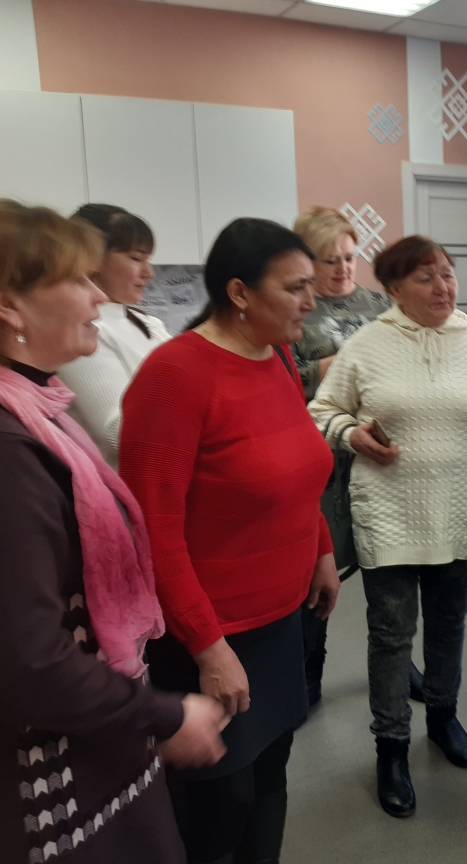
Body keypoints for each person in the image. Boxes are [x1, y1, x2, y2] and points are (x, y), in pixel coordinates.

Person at [0, 200, 225, 863]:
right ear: (10, 307)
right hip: (51, 772)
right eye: (77, 279)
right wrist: (164, 715)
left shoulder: (37, 409)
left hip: (86, 738)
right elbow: (33, 659)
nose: (97, 294)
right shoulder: (12, 451)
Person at [120, 218, 341, 864]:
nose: (311, 301)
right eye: (295, 287)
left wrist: (322, 550)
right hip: (211, 633)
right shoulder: (175, 374)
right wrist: (208, 646)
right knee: (221, 805)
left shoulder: (277, 357)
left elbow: (298, 469)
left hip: (280, 622)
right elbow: (153, 529)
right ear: (240, 292)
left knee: (270, 778)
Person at [309, 235, 467, 819]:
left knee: (449, 624)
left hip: (458, 512)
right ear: (395, 289)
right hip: (389, 515)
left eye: (448, 274)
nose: (443, 287)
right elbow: (321, 411)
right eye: (426, 278)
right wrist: (352, 435)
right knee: (391, 636)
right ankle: (391, 747)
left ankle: (443, 718)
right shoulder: (366, 346)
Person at [289, 206, 409, 707]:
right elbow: (279, 377)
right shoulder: (295, 308)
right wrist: (331, 368)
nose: (343, 268)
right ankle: (307, 674)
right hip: (321, 464)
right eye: (330, 260)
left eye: (349, 257)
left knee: (392, 573)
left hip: (379, 458)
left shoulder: (382, 305)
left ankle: (401, 665)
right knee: (318, 572)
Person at [56, 204, 170, 470]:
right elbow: (119, 432)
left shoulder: (149, 323)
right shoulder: (84, 331)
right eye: (136, 258)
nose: (149, 273)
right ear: (93, 260)